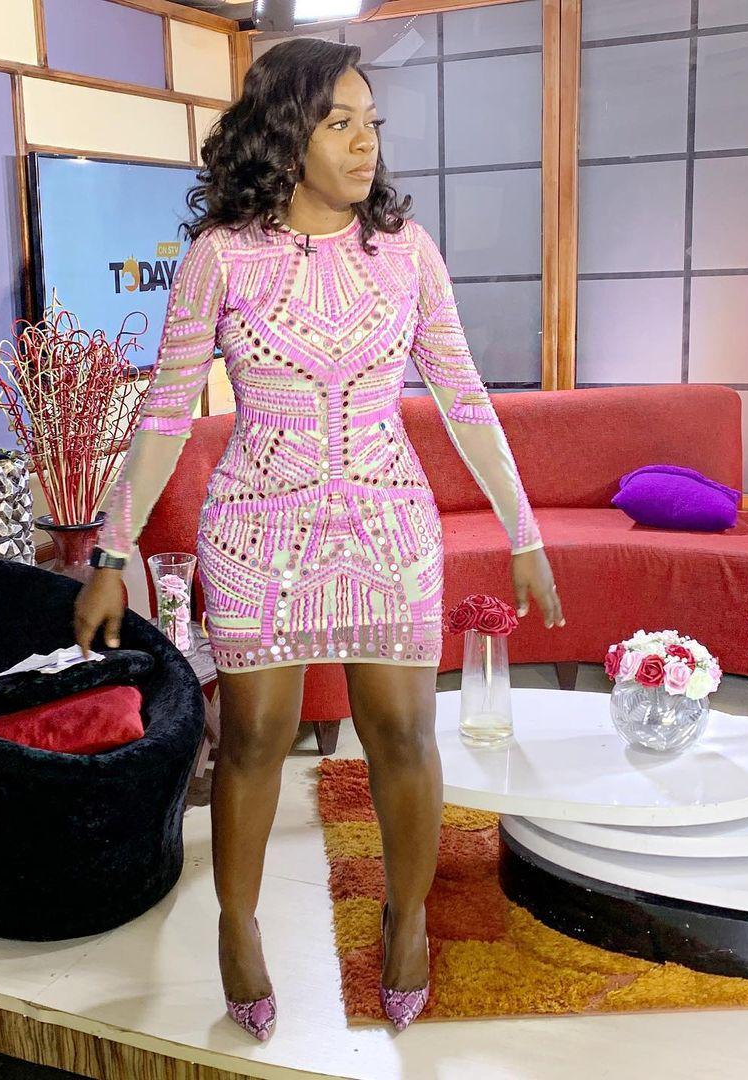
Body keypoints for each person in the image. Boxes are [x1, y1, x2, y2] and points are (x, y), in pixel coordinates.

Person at [74, 37, 565, 1041]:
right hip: (256, 529)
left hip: (389, 524)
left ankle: (406, 917)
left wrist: (524, 531)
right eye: (340, 123)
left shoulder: (407, 251)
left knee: (405, 736)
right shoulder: (220, 257)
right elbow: (164, 415)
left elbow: (465, 398)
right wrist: (111, 554)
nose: (364, 143)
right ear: (286, 135)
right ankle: (239, 923)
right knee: (255, 738)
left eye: (370, 122)